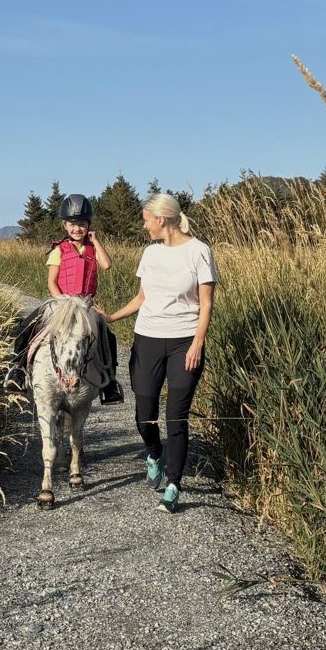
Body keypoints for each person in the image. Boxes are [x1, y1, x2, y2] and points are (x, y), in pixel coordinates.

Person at [102, 193, 216, 513]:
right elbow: (142, 297)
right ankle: (154, 454)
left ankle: (174, 485)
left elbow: (206, 304)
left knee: (176, 418)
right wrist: (112, 316)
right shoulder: (150, 253)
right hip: (147, 339)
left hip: (184, 343)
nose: (144, 224)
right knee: (144, 415)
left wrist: (196, 343)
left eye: (146, 219)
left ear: (161, 220)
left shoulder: (199, 252)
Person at [4, 194, 125, 404]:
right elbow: (52, 282)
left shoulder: (92, 248)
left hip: (85, 304)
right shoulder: (58, 250)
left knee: (108, 335)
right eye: (72, 224)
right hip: (61, 302)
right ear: (64, 225)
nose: (77, 229)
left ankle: (110, 382)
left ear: (88, 225)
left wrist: (95, 240)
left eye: (81, 224)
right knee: (27, 324)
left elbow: (107, 265)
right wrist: (62, 303)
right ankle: (18, 369)